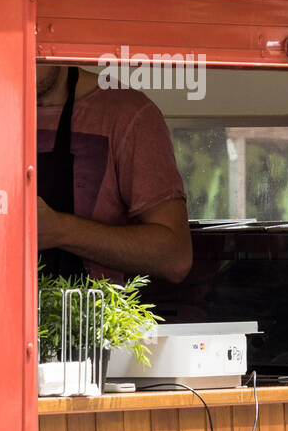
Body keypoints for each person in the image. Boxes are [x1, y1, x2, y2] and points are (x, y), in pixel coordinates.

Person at [36, 64, 192, 284]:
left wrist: (60, 230)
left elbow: (175, 257)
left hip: (91, 316)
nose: (18, 60)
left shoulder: (127, 115)